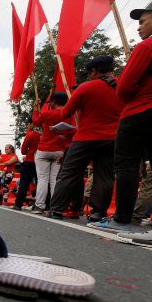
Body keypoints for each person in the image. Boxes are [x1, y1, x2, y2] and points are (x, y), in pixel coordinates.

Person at [98, 0, 152, 245]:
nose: (139, 27)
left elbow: (124, 88)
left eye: (142, 21)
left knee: (126, 165)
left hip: (139, 112)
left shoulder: (150, 45)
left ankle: (122, 218)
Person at [48, 55, 123, 221]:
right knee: (104, 176)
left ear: (94, 71)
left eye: (89, 73)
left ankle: (57, 209)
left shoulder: (86, 87)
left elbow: (65, 112)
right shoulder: (123, 85)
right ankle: (98, 213)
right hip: (113, 137)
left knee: (69, 172)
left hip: (86, 137)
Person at [31, 92, 72, 213]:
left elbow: (35, 122)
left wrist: (35, 108)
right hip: (60, 151)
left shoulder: (46, 114)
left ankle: (39, 206)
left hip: (43, 150)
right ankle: (55, 208)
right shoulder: (70, 115)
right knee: (55, 180)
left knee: (43, 179)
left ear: (53, 102)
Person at [13, 124, 40, 210]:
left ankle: (18, 204)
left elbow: (23, 150)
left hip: (29, 160)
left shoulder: (31, 134)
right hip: (42, 162)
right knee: (42, 184)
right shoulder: (46, 134)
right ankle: (43, 205)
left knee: (24, 184)